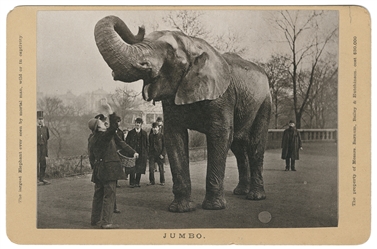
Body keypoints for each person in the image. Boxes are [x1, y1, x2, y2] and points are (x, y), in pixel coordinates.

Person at [88, 102, 138, 229]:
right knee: (109, 196)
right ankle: (106, 222)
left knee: (98, 195)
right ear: (97, 128)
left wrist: (132, 152)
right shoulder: (103, 137)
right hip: (109, 170)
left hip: (99, 170)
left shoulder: (93, 138)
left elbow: (91, 157)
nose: (104, 122)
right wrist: (110, 111)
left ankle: (95, 220)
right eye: (100, 122)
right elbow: (114, 126)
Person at [125, 118, 149, 188]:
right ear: (134, 124)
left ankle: (137, 182)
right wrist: (129, 152)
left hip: (142, 153)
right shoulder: (130, 133)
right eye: (136, 123)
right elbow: (127, 143)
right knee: (132, 167)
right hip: (132, 153)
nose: (137, 124)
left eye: (139, 123)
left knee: (140, 168)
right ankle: (132, 183)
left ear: (141, 124)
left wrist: (146, 152)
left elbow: (147, 144)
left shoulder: (144, 133)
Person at [37, 111, 50, 185]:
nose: (40, 121)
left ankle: (42, 178)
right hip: (36, 148)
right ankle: (36, 179)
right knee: (36, 164)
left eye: (41, 119)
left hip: (43, 148)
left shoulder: (45, 128)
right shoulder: (34, 128)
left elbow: (47, 137)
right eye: (39, 119)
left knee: (43, 164)